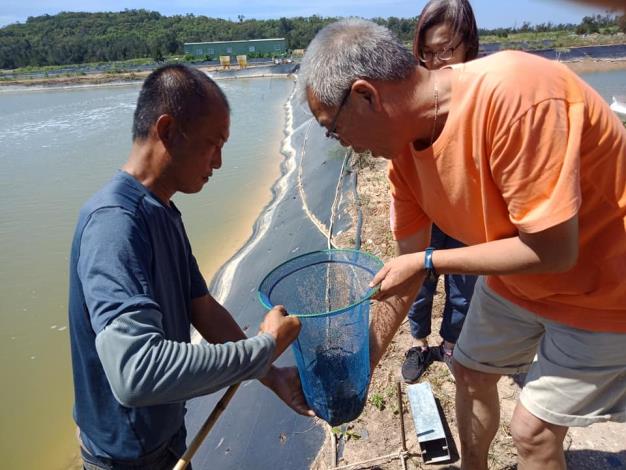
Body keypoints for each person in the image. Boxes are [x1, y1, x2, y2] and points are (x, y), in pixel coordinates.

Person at [300, 19, 626, 470]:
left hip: (605, 286)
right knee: (470, 374)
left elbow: (553, 250)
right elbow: (404, 275)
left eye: (333, 130)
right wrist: (360, 366)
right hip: (519, 280)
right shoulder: (402, 162)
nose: (344, 145)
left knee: (531, 432)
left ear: (365, 95)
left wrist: (431, 260)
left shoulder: (516, 97)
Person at [68, 64, 313, 470]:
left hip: (166, 440)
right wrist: (263, 346)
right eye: (212, 143)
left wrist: (271, 373)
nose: (218, 161)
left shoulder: (162, 210)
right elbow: (136, 372)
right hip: (125, 458)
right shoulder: (114, 223)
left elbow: (202, 307)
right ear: (167, 131)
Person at [401, 0, 480, 384]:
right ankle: (419, 343)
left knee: (464, 285)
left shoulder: (483, 93)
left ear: (468, 44)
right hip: (427, 211)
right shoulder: (416, 97)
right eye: (427, 53)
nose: (436, 62)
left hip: (469, 213)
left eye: (446, 50)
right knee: (421, 281)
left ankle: (449, 346)